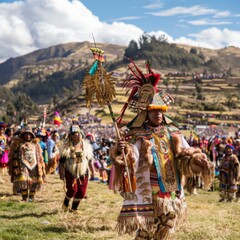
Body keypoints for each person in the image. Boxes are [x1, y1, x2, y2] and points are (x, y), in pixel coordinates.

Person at [109, 61, 214, 240]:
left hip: (171, 185)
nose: (158, 115)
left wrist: (199, 160)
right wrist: (122, 150)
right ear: (145, 114)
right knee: (148, 228)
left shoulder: (173, 132)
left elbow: (186, 152)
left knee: (167, 224)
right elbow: (131, 155)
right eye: (153, 111)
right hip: (150, 184)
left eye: (160, 111)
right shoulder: (140, 134)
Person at [59, 124, 94, 213]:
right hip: (71, 171)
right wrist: (61, 172)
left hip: (83, 171)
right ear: (71, 136)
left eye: (80, 133)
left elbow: (90, 160)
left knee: (82, 192)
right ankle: (65, 204)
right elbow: (62, 161)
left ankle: (74, 208)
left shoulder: (86, 146)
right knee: (72, 190)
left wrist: (92, 171)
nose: (79, 135)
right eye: (76, 133)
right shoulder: (66, 147)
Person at [8, 125, 45, 201]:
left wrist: (41, 165)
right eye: (26, 134)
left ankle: (31, 197)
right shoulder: (18, 144)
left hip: (34, 165)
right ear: (23, 135)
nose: (28, 136)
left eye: (29, 134)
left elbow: (40, 156)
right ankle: (24, 197)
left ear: (32, 135)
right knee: (23, 180)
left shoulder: (36, 145)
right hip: (22, 165)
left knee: (34, 181)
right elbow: (12, 155)